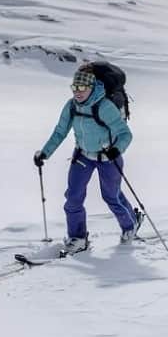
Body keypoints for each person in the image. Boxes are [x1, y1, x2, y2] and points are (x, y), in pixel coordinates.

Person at [33, 68, 139, 254]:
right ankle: (78, 238)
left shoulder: (104, 106)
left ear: (92, 87)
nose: (77, 91)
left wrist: (117, 150)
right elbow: (60, 132)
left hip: (108, 157)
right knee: (73, 197)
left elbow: (125, 134)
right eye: (74, 87)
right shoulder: (71, 106)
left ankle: (130, 226)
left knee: (111, 196)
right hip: (82, 156)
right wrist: (45, 153)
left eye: (82, 87)